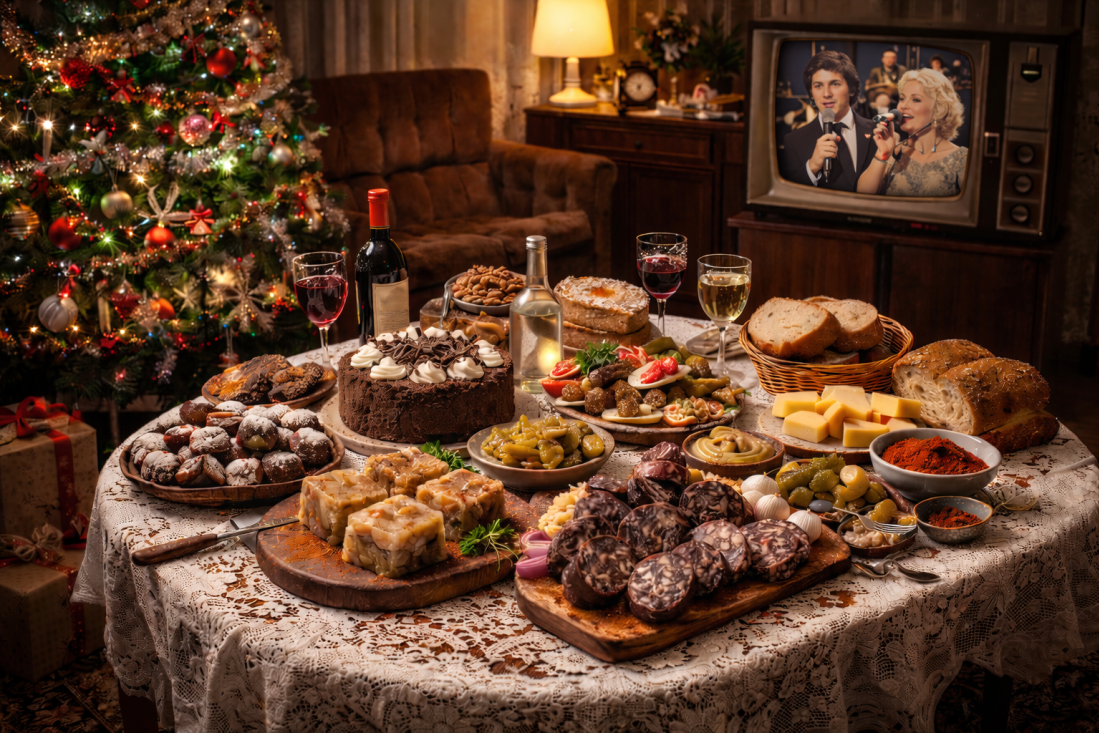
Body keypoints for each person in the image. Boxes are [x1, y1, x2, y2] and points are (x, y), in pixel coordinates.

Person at [857, 68, 968, 197]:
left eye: (916, 100)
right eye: (902, 98)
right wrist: (881, 154)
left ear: (939, 109)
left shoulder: (962, 159)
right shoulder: (895, 152)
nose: (903, 106)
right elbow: (862, 196)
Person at [779, 50, 876, 192]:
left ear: (852, 89)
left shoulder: (878, 132)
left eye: (835, 84)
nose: (826, 94)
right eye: (818, 86)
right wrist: (811, 167)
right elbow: (788, 195)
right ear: (811, 92)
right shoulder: (793, 140)